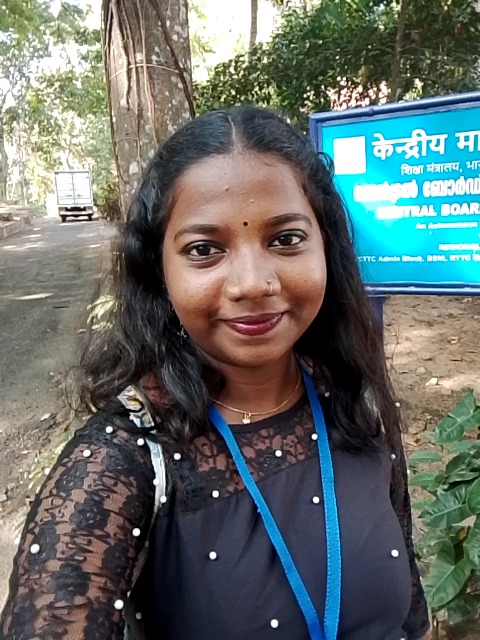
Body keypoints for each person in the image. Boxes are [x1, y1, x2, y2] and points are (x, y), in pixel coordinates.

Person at [1, 106, 430, 640]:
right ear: (159, 270)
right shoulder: (124, 461)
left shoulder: (353, 399)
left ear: (326, 245)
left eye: (285, 239)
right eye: (204, 249)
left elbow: (410, 611)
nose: (252, 283)